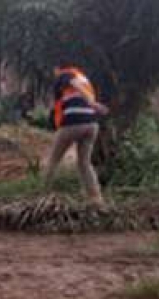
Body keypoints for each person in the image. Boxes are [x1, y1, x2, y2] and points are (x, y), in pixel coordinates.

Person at [44, 61, 110, 205]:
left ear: (57, 67)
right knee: (84, 163)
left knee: (52, 161)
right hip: (92, 124)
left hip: (74, 122)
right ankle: (96, 200)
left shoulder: (66, 74)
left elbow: (74, 84)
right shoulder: (83, 77)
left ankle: (41, 193)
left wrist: (93, 104)